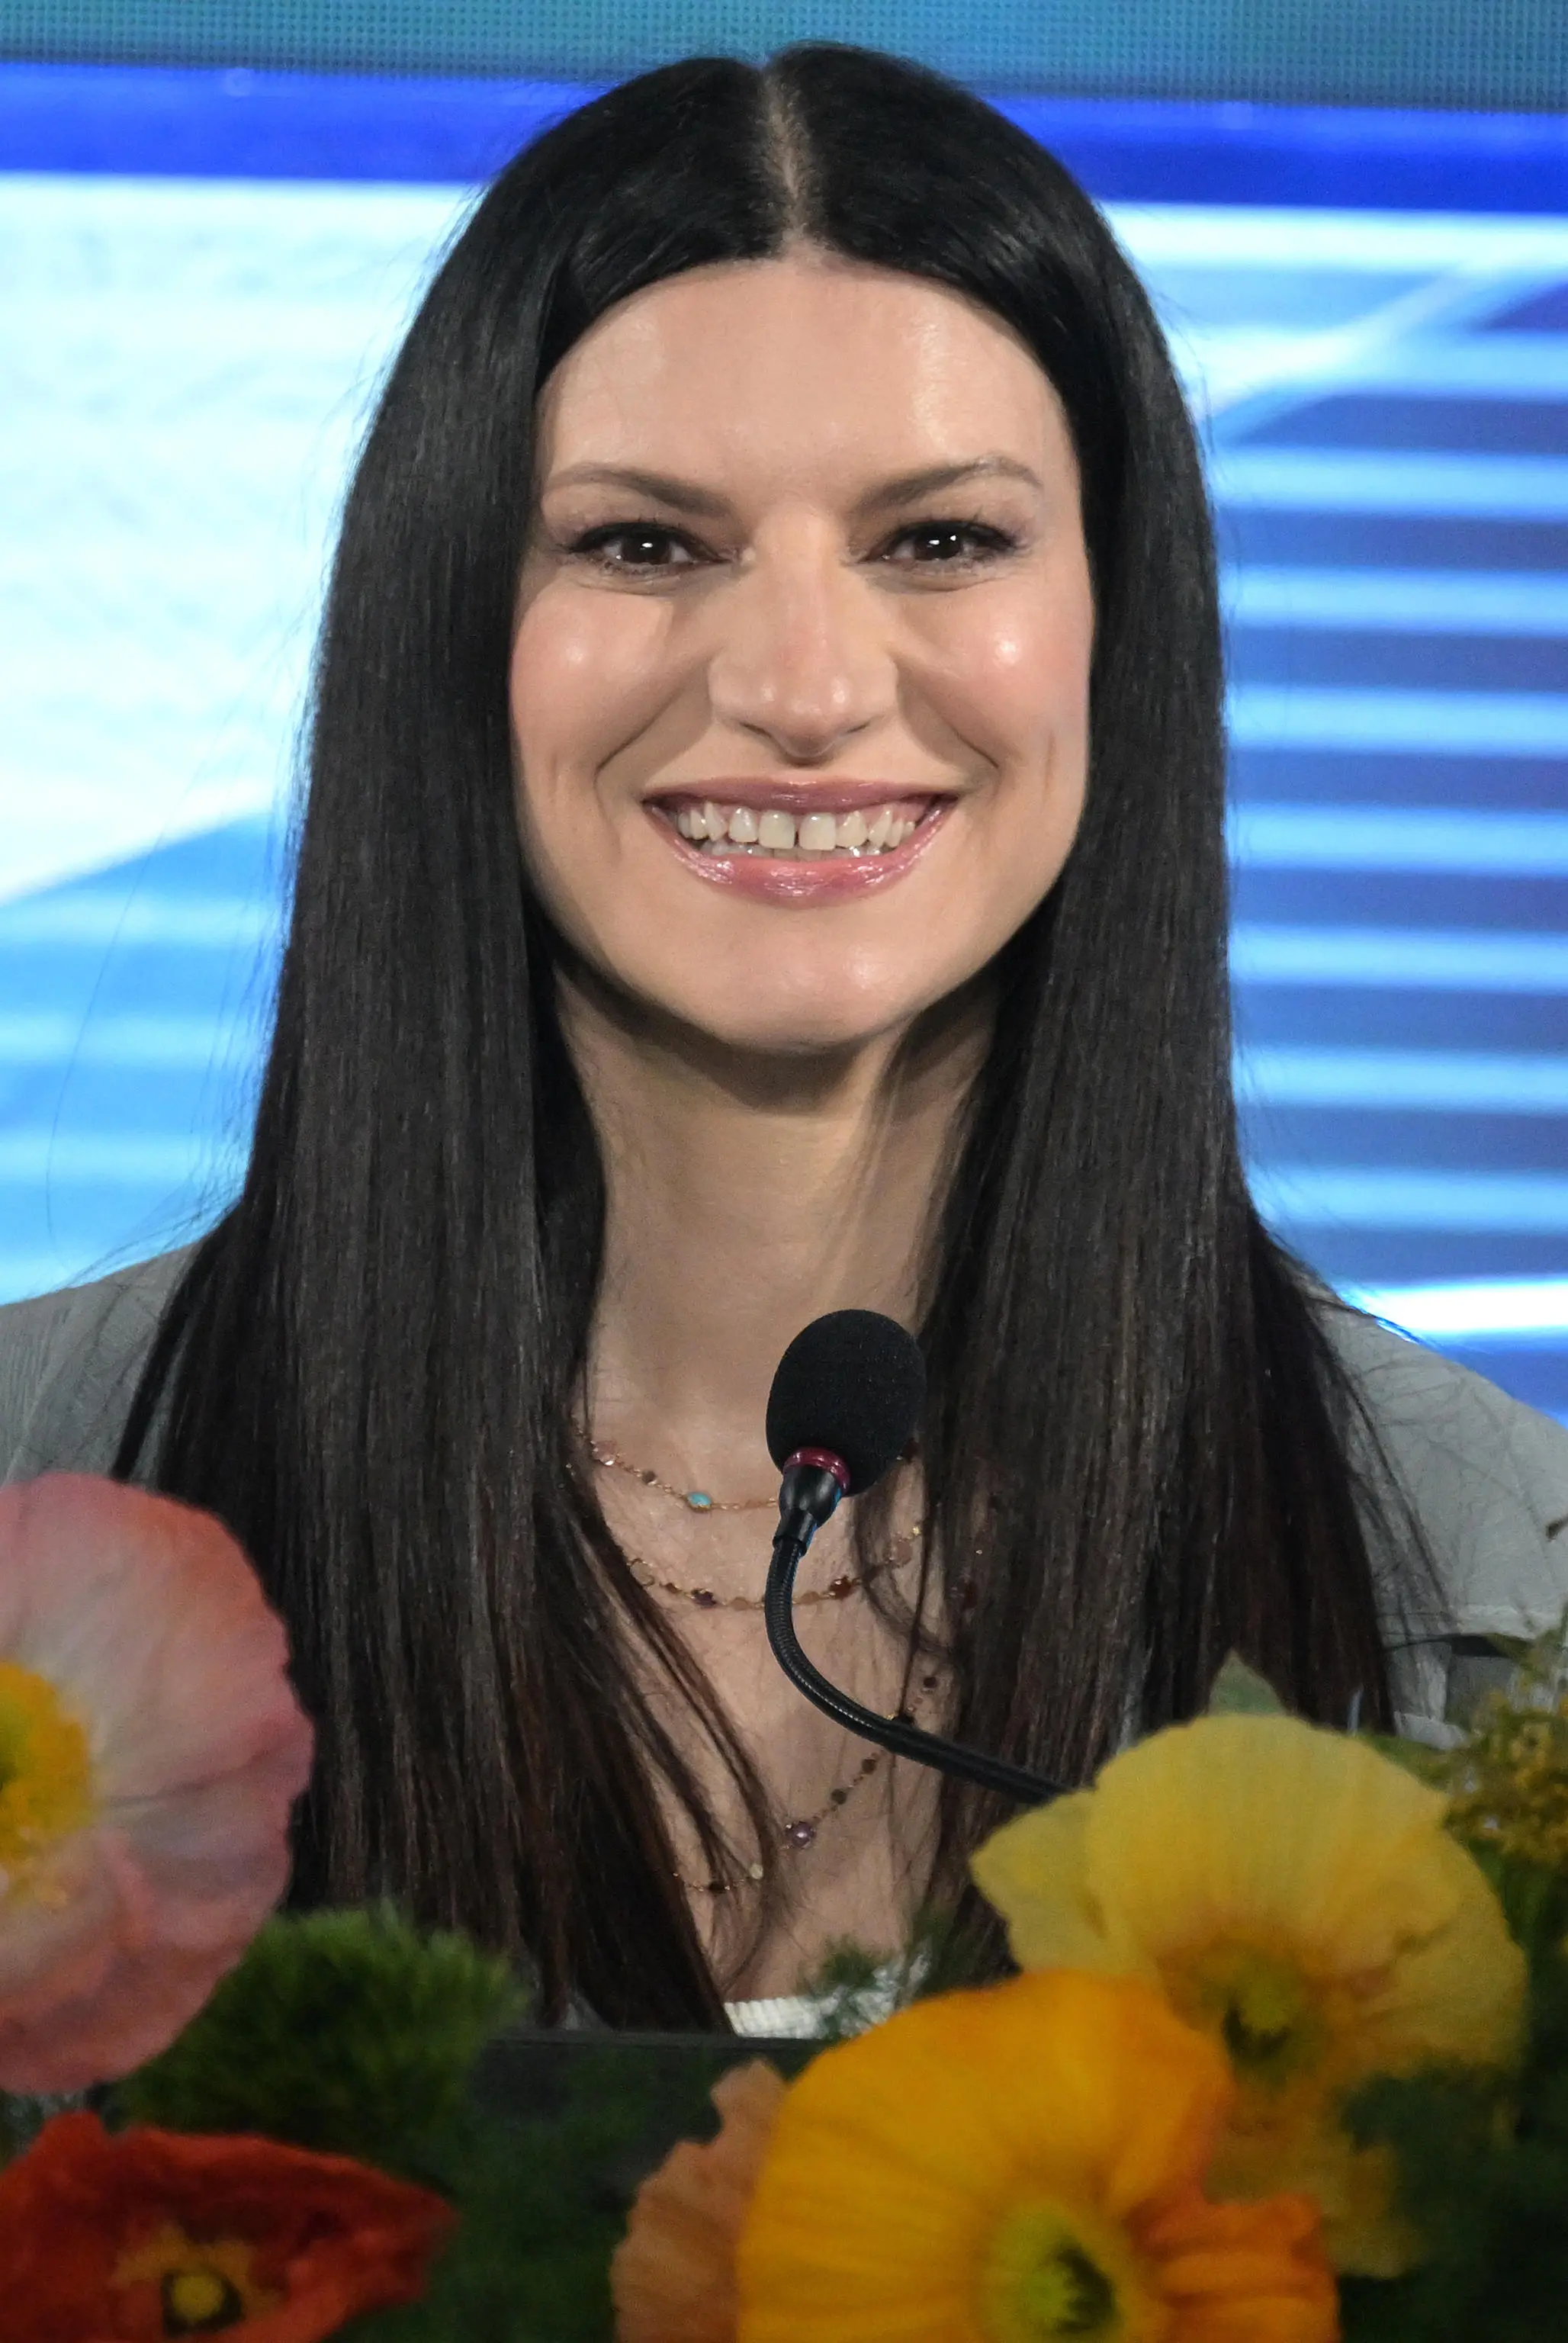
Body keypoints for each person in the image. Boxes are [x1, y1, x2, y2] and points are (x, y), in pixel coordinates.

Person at [2, 46, 1566, 2031]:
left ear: (1117, 629)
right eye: (646, 545)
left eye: (941, 542)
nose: (805, 689)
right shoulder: (37, 1497)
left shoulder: (1489, 1589)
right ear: (451, 629)